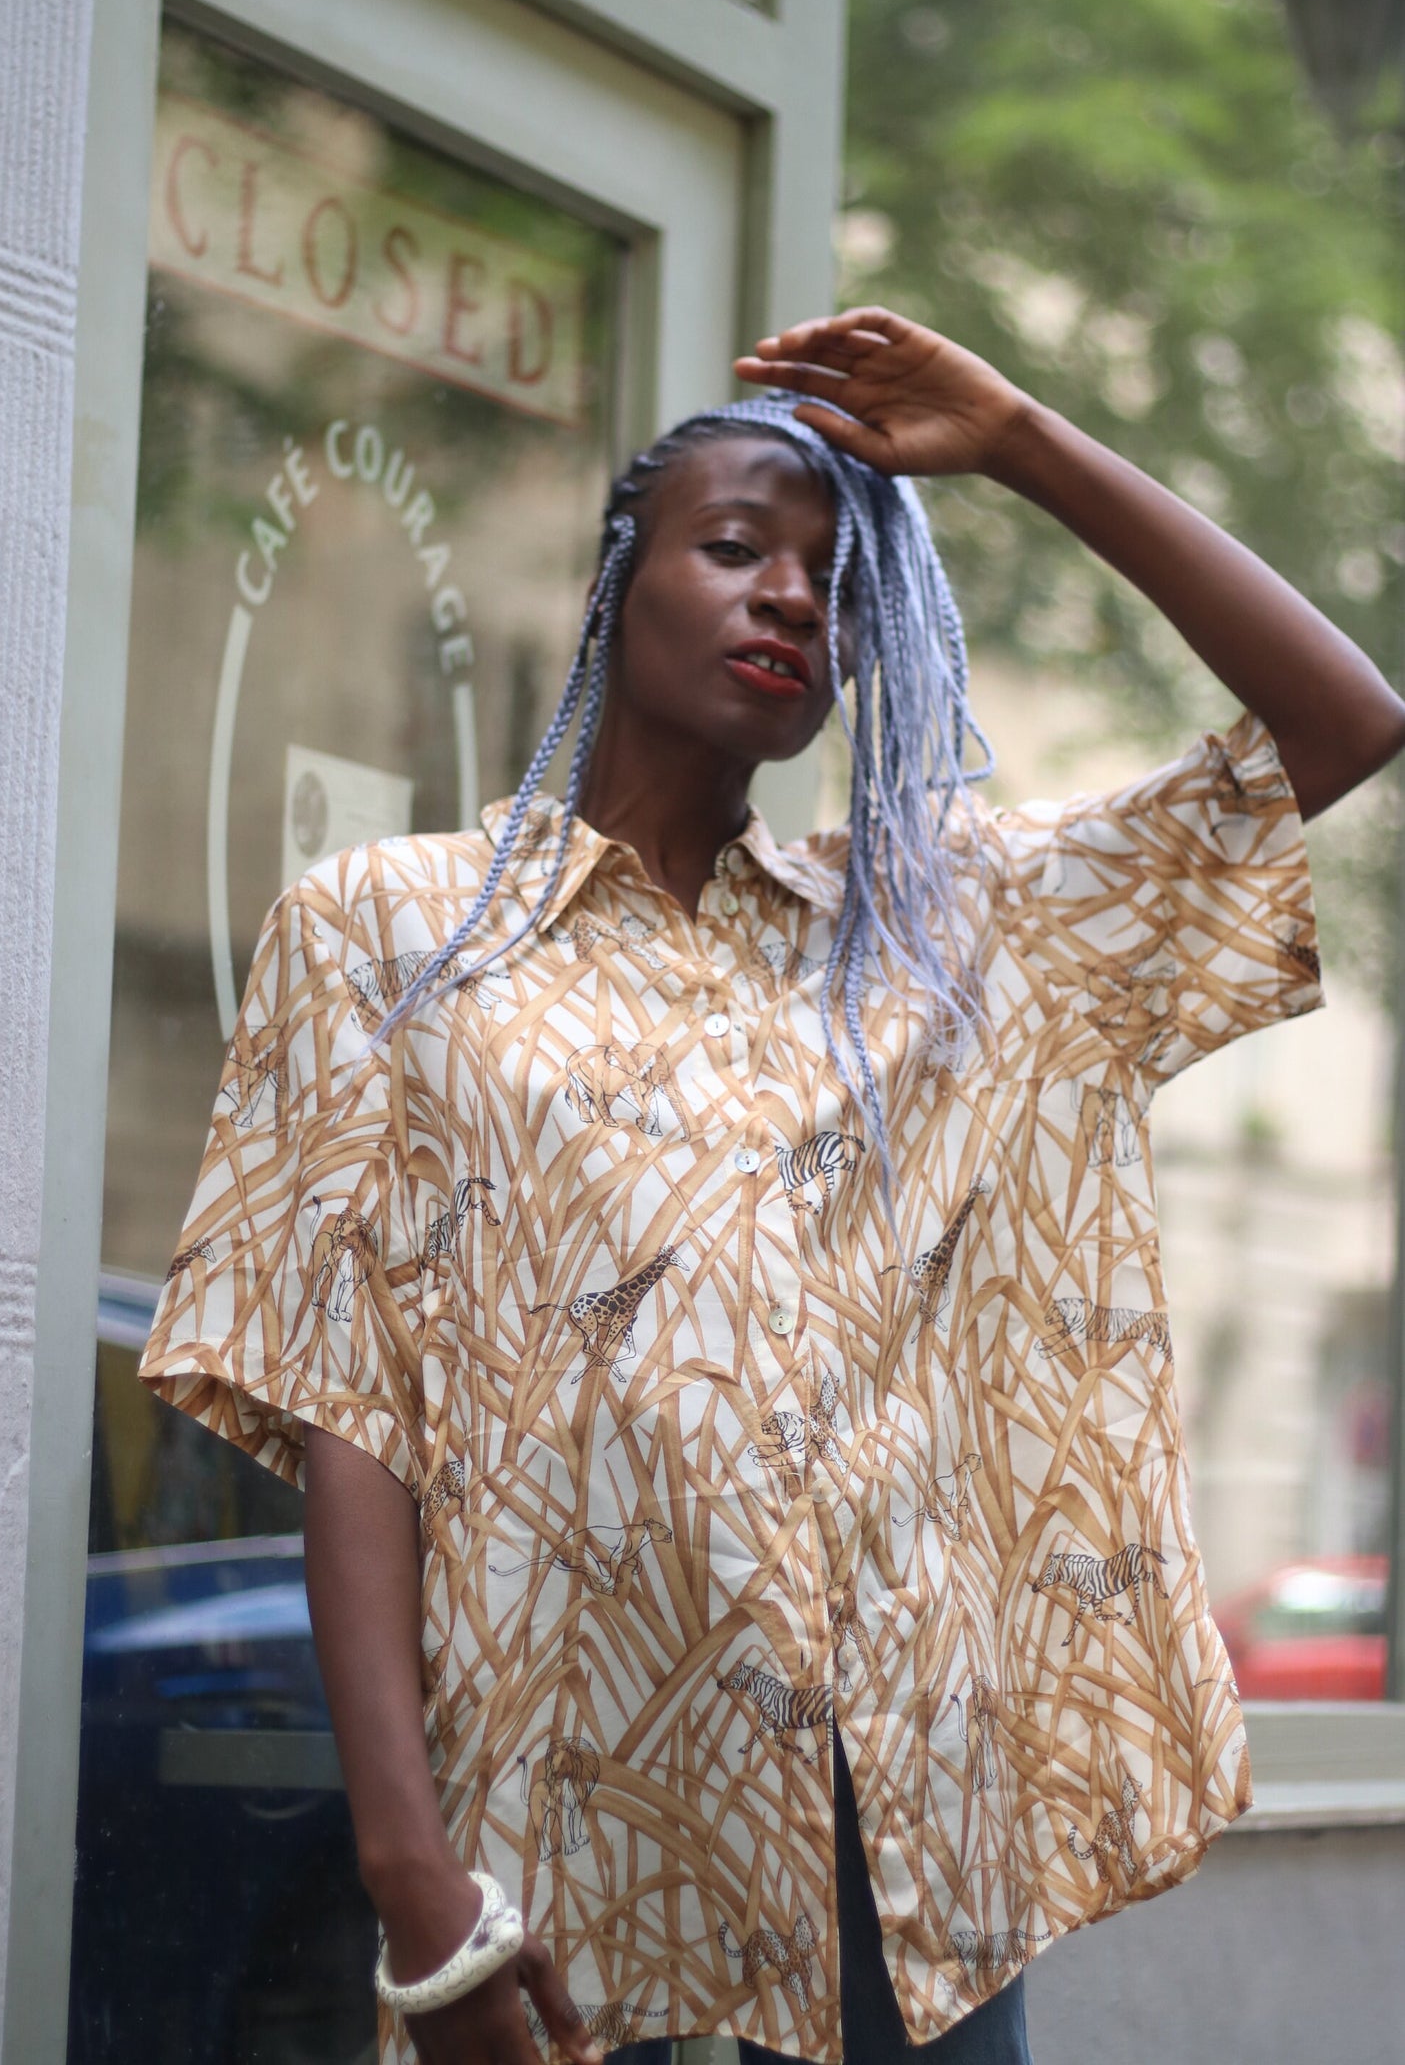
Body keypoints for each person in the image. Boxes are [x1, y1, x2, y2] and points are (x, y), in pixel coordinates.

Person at [140, 306, 1405, 2065]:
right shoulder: (393, 933)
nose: (794, 599)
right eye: (736, 549)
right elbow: (359, 1413)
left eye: (838, 583)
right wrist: (411, 1880)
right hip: (574, 1826)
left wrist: (1019, 440)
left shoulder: (941, 936)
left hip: (907, 1829)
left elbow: (1339, 722)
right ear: (618, 584)